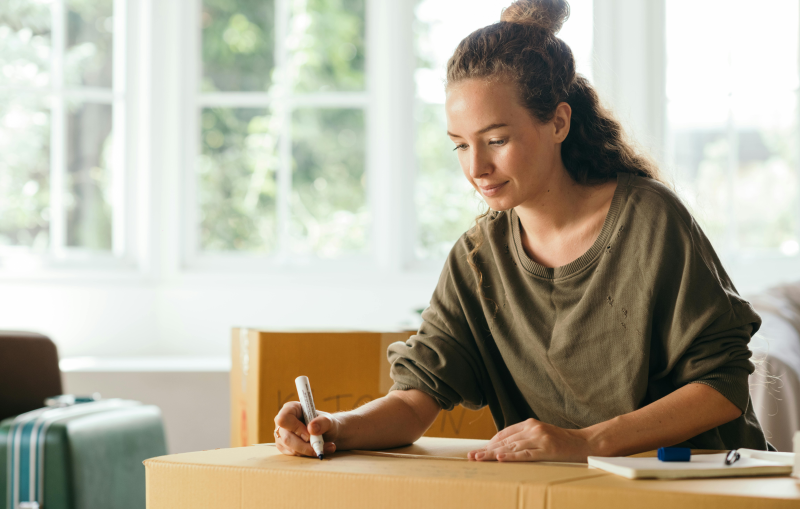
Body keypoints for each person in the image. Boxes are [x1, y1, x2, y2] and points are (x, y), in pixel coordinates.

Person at [274, 0, 771, 462]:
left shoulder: (650, 219)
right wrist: (333, 427)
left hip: (705, 486)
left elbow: (721, 386)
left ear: (558, 123)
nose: (476, 168)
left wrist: (586, 442)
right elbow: (413, 401)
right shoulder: (477, 257)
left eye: (496, 140)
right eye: (460, 145)